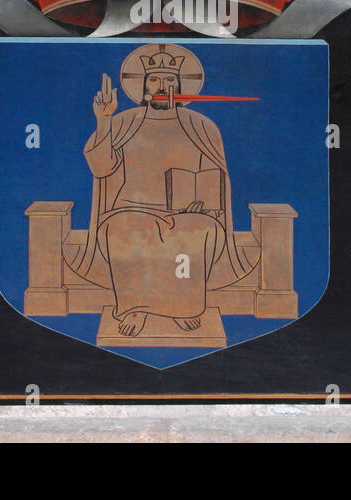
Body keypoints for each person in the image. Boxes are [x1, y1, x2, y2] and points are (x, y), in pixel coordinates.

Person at [69, 47, 255, 337]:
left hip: (186, 211)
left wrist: (203, 205)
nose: (162, 88)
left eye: (170, 82)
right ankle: (136, 308)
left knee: (197, 230)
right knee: (126, 230)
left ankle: (181, 308)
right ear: (143, 86)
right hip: (129, 208)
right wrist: (104, 120)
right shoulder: (124, 122)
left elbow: (215, 176)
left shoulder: (201, 126)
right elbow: (101, 168)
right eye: (154, 80)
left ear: (180, 88)